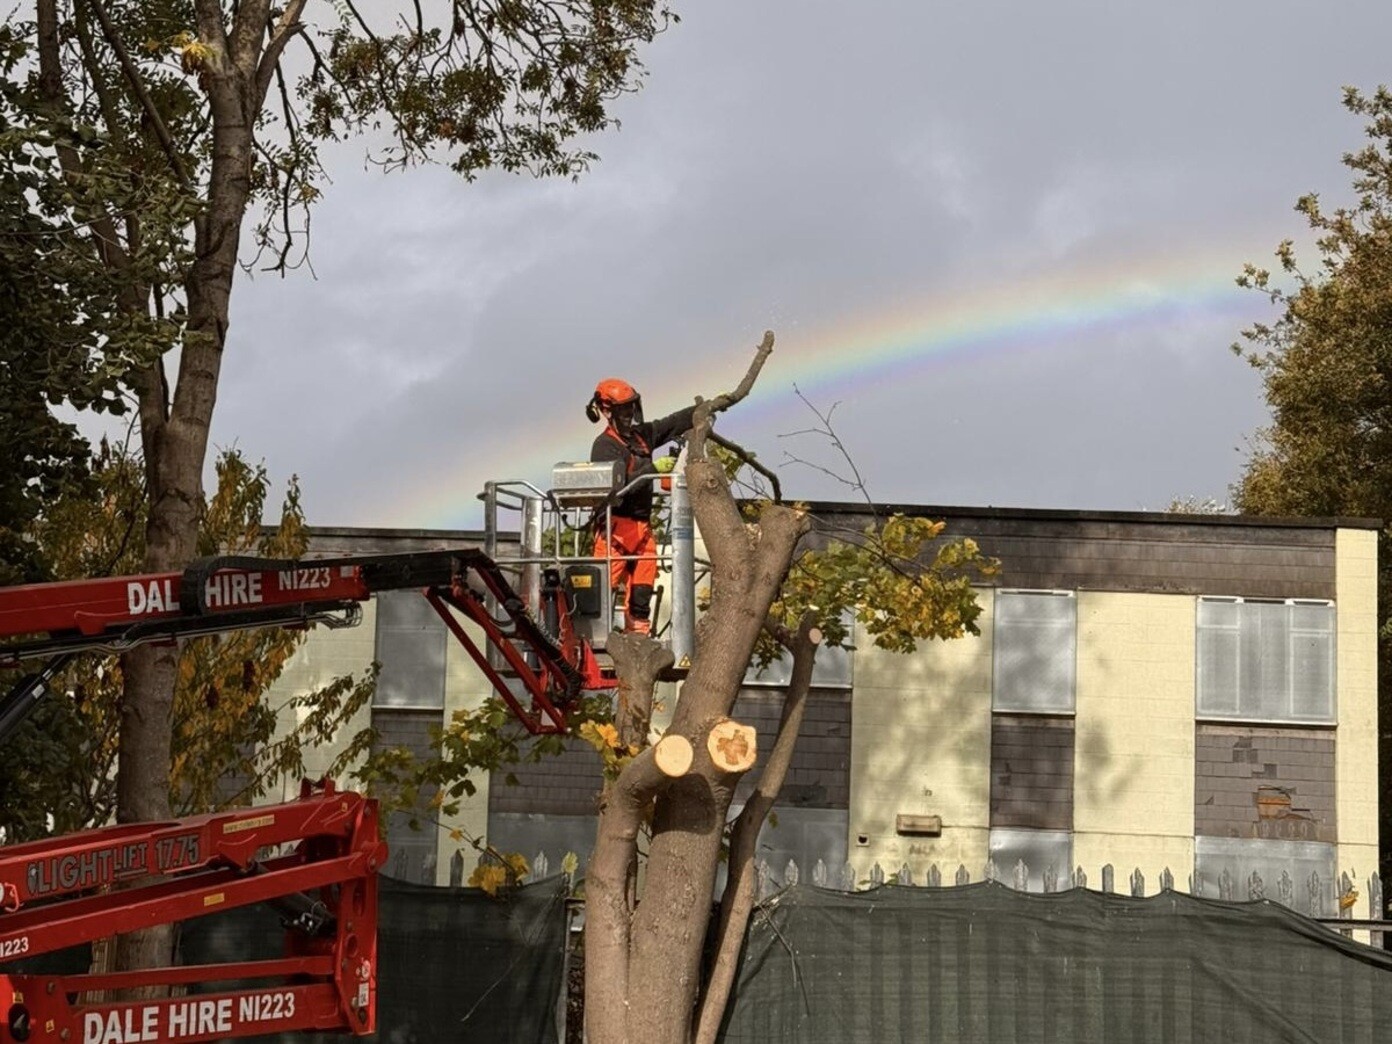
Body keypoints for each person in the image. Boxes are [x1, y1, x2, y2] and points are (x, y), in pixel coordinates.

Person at [586, 378, 695, 634]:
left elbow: (671, 423)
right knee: (601, 593)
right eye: (623, 408)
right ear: (607, 410)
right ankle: (592, 641)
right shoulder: (604, 447)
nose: (629, 413)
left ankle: (638, 640)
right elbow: (618, 486)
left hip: (642, 528)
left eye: (631, 407)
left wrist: (706, 408)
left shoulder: (642, 436)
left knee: (642, 591)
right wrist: (652, 469)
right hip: (614, 529)